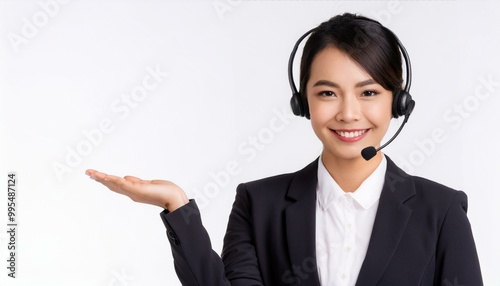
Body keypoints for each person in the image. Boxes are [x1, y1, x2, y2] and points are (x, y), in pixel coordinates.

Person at [86, 13, 483, 286]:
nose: (348, 113)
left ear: (397, 103)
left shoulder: (442, 211)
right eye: (327, 92)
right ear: (302, 101)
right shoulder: (258, 203)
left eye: (369, 93)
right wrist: (177, 205)